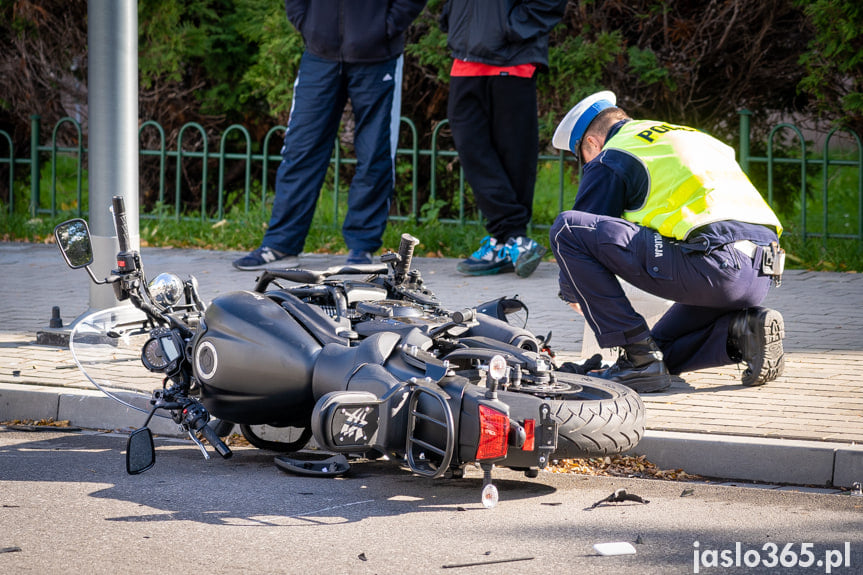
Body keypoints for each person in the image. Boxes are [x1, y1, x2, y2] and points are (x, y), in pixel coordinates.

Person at [550, 91, 786, 393]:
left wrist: (573, 290)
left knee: (566, 228)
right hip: (759, 275)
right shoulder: (689, 137)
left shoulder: (614, 153)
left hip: (714, 266)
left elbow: (584, 227)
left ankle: (638, 360)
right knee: (659, 351)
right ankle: (744, 333)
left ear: (592, 144)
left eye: (581, 156)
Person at [233, 0, 428, 271]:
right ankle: (281, 244)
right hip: (319, 54)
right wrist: (309, 26)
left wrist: (386, 27)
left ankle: (362, 246)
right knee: (300, 150)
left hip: (378, 56)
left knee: (375, 152)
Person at [440, 0, 566, 278]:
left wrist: (511, 27)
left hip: (513, 58)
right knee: (471, 148)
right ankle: (512, 239)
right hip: (465, 56)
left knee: (514, 153)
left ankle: (505, 241)